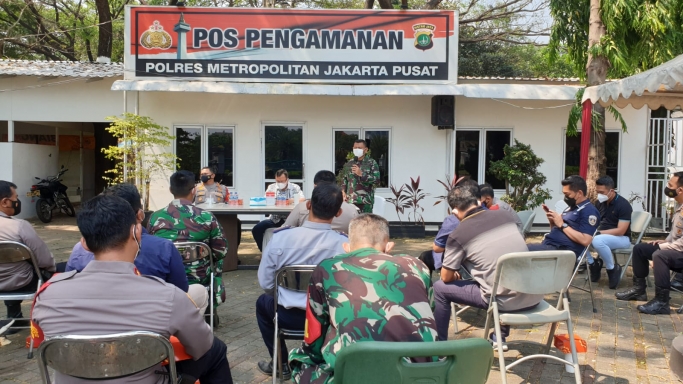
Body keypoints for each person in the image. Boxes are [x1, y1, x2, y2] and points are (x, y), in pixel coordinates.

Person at [31, 195, 233, 384]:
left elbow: (41, 345)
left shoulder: (47, 295)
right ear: (136, 232)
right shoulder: (168, 296)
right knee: (216, 349)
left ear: (84, 243)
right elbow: (201, 346)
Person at [289, 213, 437, 384]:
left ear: (346, 247)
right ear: (389, 246)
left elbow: (314, 336)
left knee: (300, 361)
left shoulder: (327, 269)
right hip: (421, 372)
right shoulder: (417, 266)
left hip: (354, 373)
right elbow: (429, 309)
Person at [65, 184, 208, 313]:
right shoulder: (163, 248)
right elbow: (180, 292)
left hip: (91, 319)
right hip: (155, 320)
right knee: (198, 293)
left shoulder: (55, 292)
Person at [433, 183, 543, 347]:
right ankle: (499, 338)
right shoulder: (505, 216)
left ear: (454, 210)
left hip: (504, 302)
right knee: (500, 274)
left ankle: (438, 347)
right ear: (478, 200)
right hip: (534, 294)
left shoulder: (458, 234)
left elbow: (446, 277)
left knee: (439, 288)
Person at [255, 183, 347, 379]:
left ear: (307, 205)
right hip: (328, 321)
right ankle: (325, 361)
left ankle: (280, 363)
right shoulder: (344, 245)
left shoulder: (280, 238)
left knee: (263, 303)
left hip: (287, 316)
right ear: (338, 212)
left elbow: (266, 284)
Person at [148, 170, 228, 310]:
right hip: (199, 279)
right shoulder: (207, 217)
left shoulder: (155, 218)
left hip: (164, 279)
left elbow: (149, 247)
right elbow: (221, 251)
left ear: (171, 190)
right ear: (194, 190)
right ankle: (210, 302)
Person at [615, 172, 683, 315]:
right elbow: (677, 232)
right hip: (677, 249)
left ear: (680, 190)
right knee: (640, 248)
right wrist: (665, 241)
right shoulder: (680, 206)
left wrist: (663, 247)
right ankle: (639, 291)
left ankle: (662, 302)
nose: (667, 187)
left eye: (670, 185)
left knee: (660, 255)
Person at [0, 180, 55, 334]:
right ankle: (52, 319)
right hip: (22, 282)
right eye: (15, 198)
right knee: (53, 271)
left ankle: (14, 316)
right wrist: (51, 269)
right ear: (5, 202)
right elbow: (44, 259)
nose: (17, 202)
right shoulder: (19, 226)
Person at [527, 175, 600, 261]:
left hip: (562, 253)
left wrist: (562, 224)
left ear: (579, 193)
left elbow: (586, 240)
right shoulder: (571, 208)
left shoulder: (589, 211)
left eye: (567, 194)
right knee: (517, 246)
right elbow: (558, 231)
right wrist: (553, 222)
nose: (565, 198)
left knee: (518, 251)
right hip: (550, 247)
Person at [589, 176, 632, 289]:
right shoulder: (599, 203)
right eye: (597, 192)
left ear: (611, 191)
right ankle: (593, 264)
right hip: (604, 236)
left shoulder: (623, 205)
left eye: (602, 192)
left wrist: (599, 233)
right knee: (577, 237)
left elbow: (621, 230)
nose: (599, 195)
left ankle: (612, 269)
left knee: (597, 239)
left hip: (622, 239)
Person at [284, 170, 359, 233]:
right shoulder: (351, 210)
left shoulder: (301, 208)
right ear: (338, 212)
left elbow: (285, 231)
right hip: (342, 249)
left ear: (309, 205)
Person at [252, 169, 305, 252]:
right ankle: (265, 252)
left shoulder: (295, 187)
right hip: (274, 218)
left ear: (287, 179)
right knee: (257, 229)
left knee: (303, 230)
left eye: (282, 181)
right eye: (278, 181)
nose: (280, 183)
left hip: (291, 219)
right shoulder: (271, 187)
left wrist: (291, 200)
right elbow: (265, 200)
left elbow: (302, 199)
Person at [340, 139, 380, 213]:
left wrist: (361, 174)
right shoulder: (349, 163)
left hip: (365, 201)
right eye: (355, 148)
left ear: (366, 150)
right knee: (351, 223)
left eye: (359, 148)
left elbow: (376, 180)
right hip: (350, 201)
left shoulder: (371, 163)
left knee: (365, 224)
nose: (357, 150)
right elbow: (344, 180)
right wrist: (343, 192)